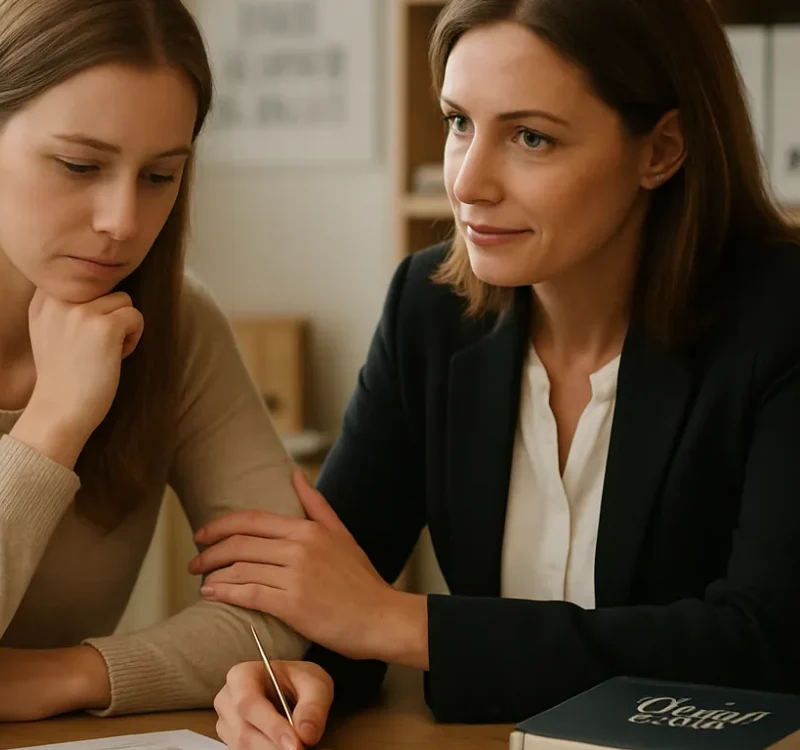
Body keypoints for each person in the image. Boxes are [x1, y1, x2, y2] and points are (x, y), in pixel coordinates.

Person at [192, 0, 800, 747]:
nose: (469, 183)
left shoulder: (781, 319)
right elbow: (332, 584)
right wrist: (298, 671)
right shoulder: (429, 309)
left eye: (531, 137)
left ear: (662, 150)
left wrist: (397, 623)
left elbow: (763, 646)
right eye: (458, 123)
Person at [0, 0, 310, 746]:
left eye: (160, 176)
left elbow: (286, 608)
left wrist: (66, 675)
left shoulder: (179, 324)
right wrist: (55, 421)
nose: (123, 221)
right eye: (80, 165)